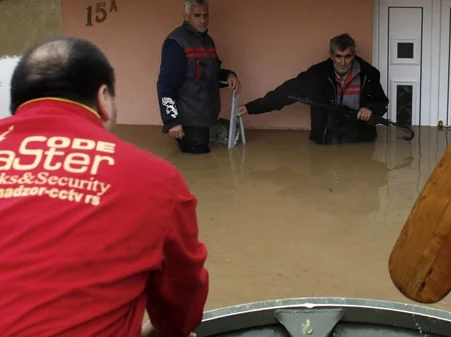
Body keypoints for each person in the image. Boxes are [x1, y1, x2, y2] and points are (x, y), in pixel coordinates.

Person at [0, 37, 208, 336]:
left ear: (16, 102)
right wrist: (165, 327)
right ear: (102, 98)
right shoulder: (152, 178)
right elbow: (182, 301)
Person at [238, 33, 389, 145]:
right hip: (326, 138)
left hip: (360, 138)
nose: (343, 62)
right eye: (338, 56)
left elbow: (381, 102)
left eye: (347, 56)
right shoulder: (317, 74)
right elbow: (286, 93)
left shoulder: (370, 74)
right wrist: (251, 107)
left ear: (354, 55)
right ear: (331, 55)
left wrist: (369, 109)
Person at [157, 0, 240, 154]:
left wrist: (229, 75)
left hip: (206, 115)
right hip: (189, 117)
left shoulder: (208, 41)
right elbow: (165, 85)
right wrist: (172, 121)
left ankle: (214, 130)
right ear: (186, 15)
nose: (202, 20)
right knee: (199, 153)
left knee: (226, 142)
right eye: (197, 16)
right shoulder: (176, 42)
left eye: (205, 15)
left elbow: (211, 74)